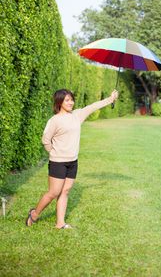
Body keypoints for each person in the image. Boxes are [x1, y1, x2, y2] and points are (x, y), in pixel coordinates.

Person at [26, 88, 118, 229]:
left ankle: (60, 223)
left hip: (72, 161)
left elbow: (93, 106)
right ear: (59, 102)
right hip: (58, 162)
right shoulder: (54, 120)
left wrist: (110, 99)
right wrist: (55, 153)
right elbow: (46, 140)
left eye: (72, 99)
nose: (71, 102)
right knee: (53, 192)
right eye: (67, 100)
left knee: (65, 191)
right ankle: (35, 214)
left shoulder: (77, 115)